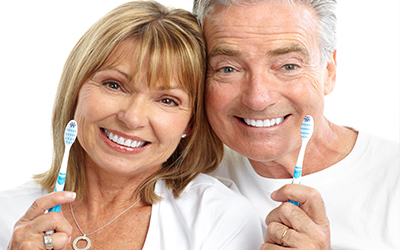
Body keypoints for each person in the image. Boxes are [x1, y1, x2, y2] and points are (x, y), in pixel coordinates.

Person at [0, 1, 263, 249]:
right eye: (114, 85)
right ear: (76, 88)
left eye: (167, 100)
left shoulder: (219, 217)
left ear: (191, 123)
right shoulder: (7, 215)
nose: (132, 117)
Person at [192, 0, 400, 249]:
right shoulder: (185, 180)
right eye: (228, 69)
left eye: (289, 66)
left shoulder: (392, 179)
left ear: (329, 73)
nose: (258, 99)